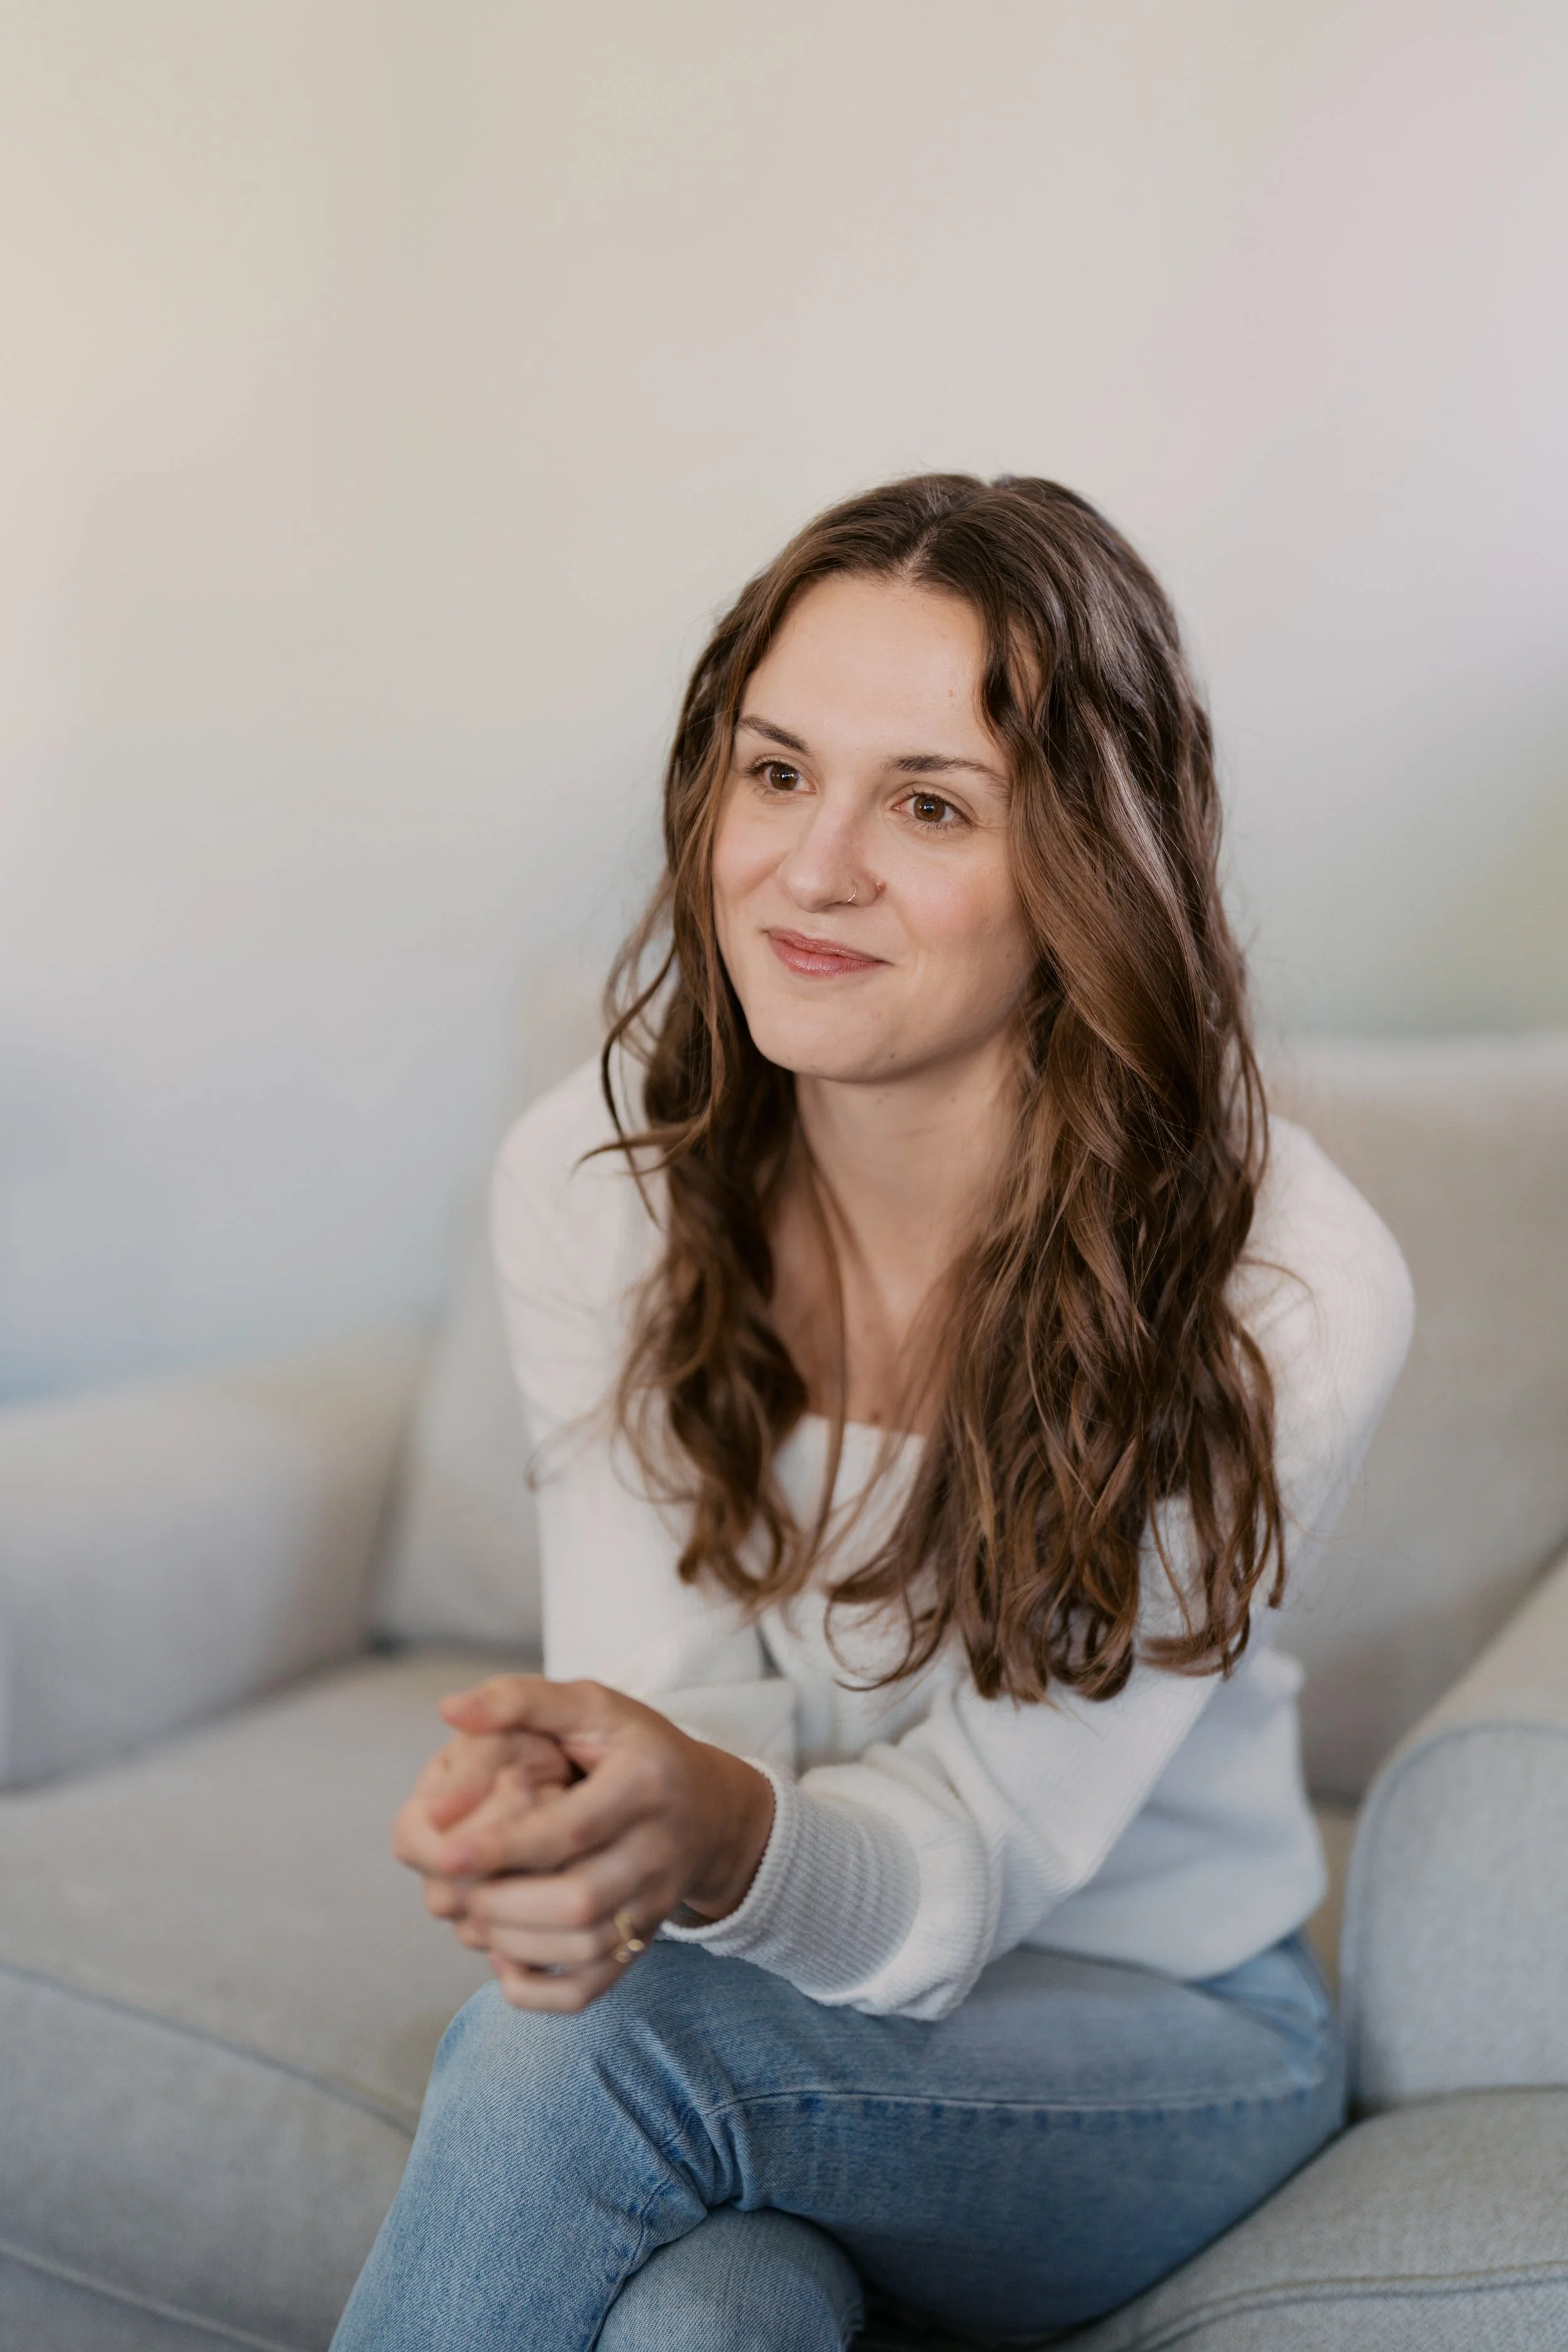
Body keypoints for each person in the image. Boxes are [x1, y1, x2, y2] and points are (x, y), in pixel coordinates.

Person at [332, 474, 1413, 2350]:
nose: (809, 870)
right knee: (713, 2316)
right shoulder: (598, 1183)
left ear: (1086, 863)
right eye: (773, 773)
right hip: (786, 2010)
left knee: (597, 2053)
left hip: (1155, 2030)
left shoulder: (1278, 1283)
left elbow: (977, 1851)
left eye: (927, 803)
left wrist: (709, 1842)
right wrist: (579, 1814)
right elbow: (662, 1704)